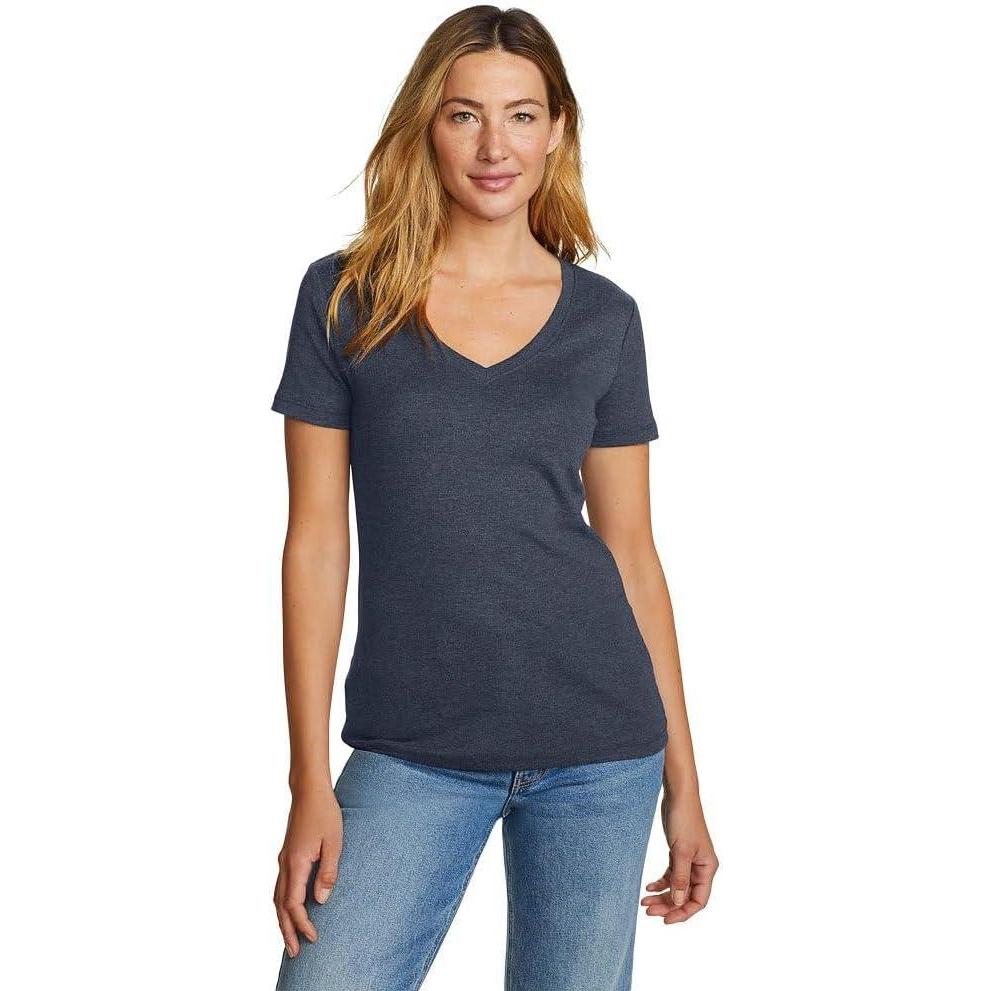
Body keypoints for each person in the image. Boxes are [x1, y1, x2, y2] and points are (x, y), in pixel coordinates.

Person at [270, 7, 718, 989]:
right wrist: (308, 778)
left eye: (520, 115)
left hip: (601, 747)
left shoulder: (603, 320)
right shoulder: (345, 298)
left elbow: (632, 553)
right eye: (463, 114)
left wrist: (684, 783)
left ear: (556, 130)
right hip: (413, 744)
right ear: (425, 126)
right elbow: (316, 543)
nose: (492, 146)